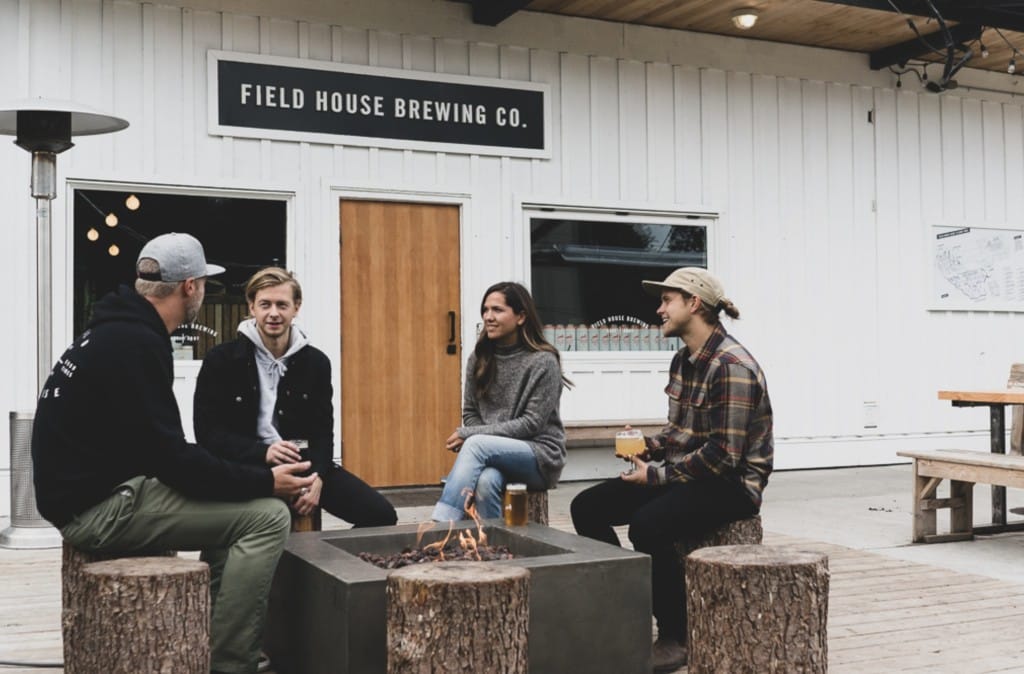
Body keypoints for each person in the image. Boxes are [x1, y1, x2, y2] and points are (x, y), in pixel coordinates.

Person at [32, 233, 316, 674]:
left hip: (99, 491)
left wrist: (245, 481)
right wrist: (265, 481)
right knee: (267, 517)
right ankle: (230, 663)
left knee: (241, 507)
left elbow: (159, 453)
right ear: (190, 287)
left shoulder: (112, 332)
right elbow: (173, 460)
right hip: (97, 509)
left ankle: (211, 643)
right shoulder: (138, 345)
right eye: (204, 283)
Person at [570, 267, 773, 674]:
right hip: (691, 472)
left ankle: (675, 635)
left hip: (732, 484)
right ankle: (628, 606)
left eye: (667, 300)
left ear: (694, 303)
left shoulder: (730, 365)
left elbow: (724, 455)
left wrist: (656, 477)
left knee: (648, 525)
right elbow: (681, 434)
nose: (659, 309)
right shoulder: (684, 359)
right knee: (586, 507)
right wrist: (649, 446)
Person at [194, 267, 396, 528]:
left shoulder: (316, 362)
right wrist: (264, 452)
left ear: (296, 307)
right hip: (245, 467)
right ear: (251, 306)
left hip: (304, 464)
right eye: (265, 304)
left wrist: (319, 478)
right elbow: (208, 433)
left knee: (380, 515)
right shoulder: (221, 360)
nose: (274, 313)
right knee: (269, 523)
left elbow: (323, 431)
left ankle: (328, 567)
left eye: (282, 304)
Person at [430, 281, 570, 522]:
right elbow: (470, 411)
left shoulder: (543, 361)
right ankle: (495, 547)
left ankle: (441, 528)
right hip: (492, 454)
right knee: (485, 482)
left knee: (475, 444)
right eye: (485, 310)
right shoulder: (480, 358)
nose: (488, 317)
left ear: (521, 316)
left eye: (497, 310)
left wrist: (475, 436)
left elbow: (532, 424)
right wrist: (481, 436)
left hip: (539, 455)